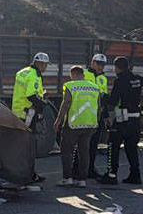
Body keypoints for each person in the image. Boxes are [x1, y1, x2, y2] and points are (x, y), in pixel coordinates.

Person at [99, 56, 143, 185]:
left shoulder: (120, 81)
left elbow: (113, 101)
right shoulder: (137, 79)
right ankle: (135, 176)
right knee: (131, 149)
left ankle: (111, 175)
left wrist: (104, 98)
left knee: (113, 146)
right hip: (135, 121)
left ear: (117, 68)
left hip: (122, 120)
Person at [55, 65, 101, 188]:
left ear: (73, 74)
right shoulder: (94, 87)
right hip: (89, 124)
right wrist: (97, 122)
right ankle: (82, 180)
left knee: (67, 151)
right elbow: (98, 107)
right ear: (83, 75)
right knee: (84, 152)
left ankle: (67, 178)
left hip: (72, 124)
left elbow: (66, 104)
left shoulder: (71, 86)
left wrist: (58, 120)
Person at [12, 52, 51, 183]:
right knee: (29, 146)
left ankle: (22, 173)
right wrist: (43, 103)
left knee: (21, 145)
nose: (45, 67)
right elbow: (31, 96)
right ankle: (28, 175)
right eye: (45, 65)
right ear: (40, 64)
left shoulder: (23, 72)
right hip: (27, 113)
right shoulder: (35, 75)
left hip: (18, 111)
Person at [74, 53, 110, 179]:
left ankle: (90, 169)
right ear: (92, 63)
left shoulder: (103, 78)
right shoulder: (83, 74)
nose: (101, 67)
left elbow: (104, 99)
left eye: (103, 64)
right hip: (84, 114)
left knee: (94, 144)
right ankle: (76, 169)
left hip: (96, 116)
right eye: (99, 64)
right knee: (82, 144)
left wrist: (105, 117)